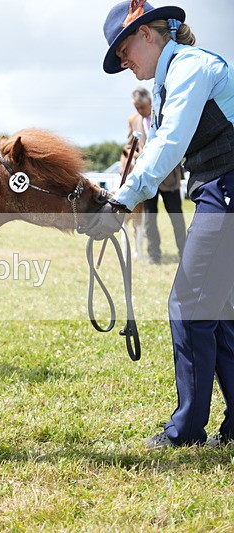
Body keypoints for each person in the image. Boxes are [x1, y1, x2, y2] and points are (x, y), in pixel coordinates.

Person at [82, 1, 234, 448]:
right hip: (218, 189)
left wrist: (121, 202)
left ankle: (185, 431)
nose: (123, 61)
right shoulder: (170, 79)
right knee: (219, 313)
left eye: (124, 49)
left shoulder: (190, 67)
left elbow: (169, 143)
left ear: (149, 33)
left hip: (227, 189)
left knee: (189, 306)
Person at [123, 86, 186, 264]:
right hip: (147, 178)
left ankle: (185, 253)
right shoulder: (133, 120)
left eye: (141, 107)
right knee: (149, 217)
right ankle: (154, 255)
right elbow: (129, 146)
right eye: (136, 108)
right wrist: (133, 158)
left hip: (169, 176)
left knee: (176, 217)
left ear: (150, 102)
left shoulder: (164, 115)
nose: (139, 111)